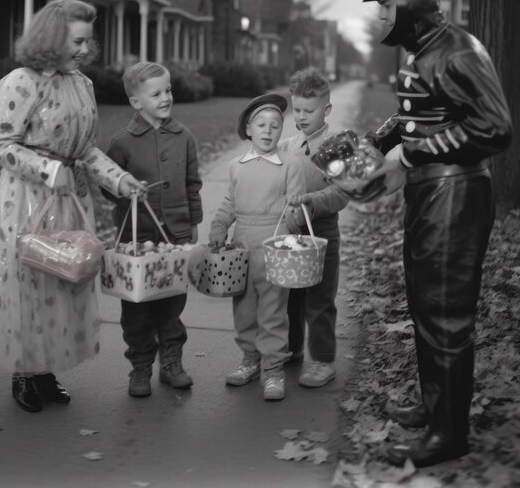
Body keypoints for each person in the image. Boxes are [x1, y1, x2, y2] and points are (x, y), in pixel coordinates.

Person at [357, 0, 512, 467]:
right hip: (428, 195)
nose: (378, 17)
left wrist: (413, 154)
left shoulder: (457, 50)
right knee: (425, 304)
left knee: (445, 311)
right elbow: (416, 114)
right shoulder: (423, 50)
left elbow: (494, 128)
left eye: (383, 5)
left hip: (456, 196)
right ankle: (435, 406)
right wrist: (376, 144)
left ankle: (450, 435)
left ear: (407, 1)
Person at [0, 0, 147, 413]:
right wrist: (47, 170)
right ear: (52, 37)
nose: (84, 49)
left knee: (60, 282)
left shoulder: (82, 83)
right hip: (26, 202)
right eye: (76, 40)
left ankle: (44, 370)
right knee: (29, 284)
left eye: (87, 40)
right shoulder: (22, 82)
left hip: (69, 200)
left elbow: (86, 150)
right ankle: (24, 373)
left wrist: (119, 178)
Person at [101, 61, 203, 398]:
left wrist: (193, 224)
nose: (165, 97)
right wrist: (123, 185)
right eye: (156, 93)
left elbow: (192, 184)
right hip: (136, 238)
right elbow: (107, 184)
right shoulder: (122, 142)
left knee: (172, 303)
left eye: (168, 90)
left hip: (174, 236)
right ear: (136, 102)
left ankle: (171, 360)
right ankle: (140, 365)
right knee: (137, 308)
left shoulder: (184, 137)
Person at [208, 94, 305, 401]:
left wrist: (295, 215)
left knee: (274, 313)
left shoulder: (289, 165)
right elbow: (229, 203)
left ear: (281, 131)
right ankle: (250, 359)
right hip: (242, 250)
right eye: (261, 125)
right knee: (245, 311)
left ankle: (274, 369)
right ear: (248, 129)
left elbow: (298, 206)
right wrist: (219, 225)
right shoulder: (237, 166)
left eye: (275, 126)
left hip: (276, 247)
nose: (268, 130)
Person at [279, 69, 349, 387]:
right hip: (293, 232)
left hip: (322, 231)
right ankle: (292, 349)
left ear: (327, 110)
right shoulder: (289, 145)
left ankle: (322, 360)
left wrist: (313, 201)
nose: (302, 117)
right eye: (297, 110)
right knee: (291, 296)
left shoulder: (336, 146)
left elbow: (342, 192)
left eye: (309, 111)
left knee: (319, 298)